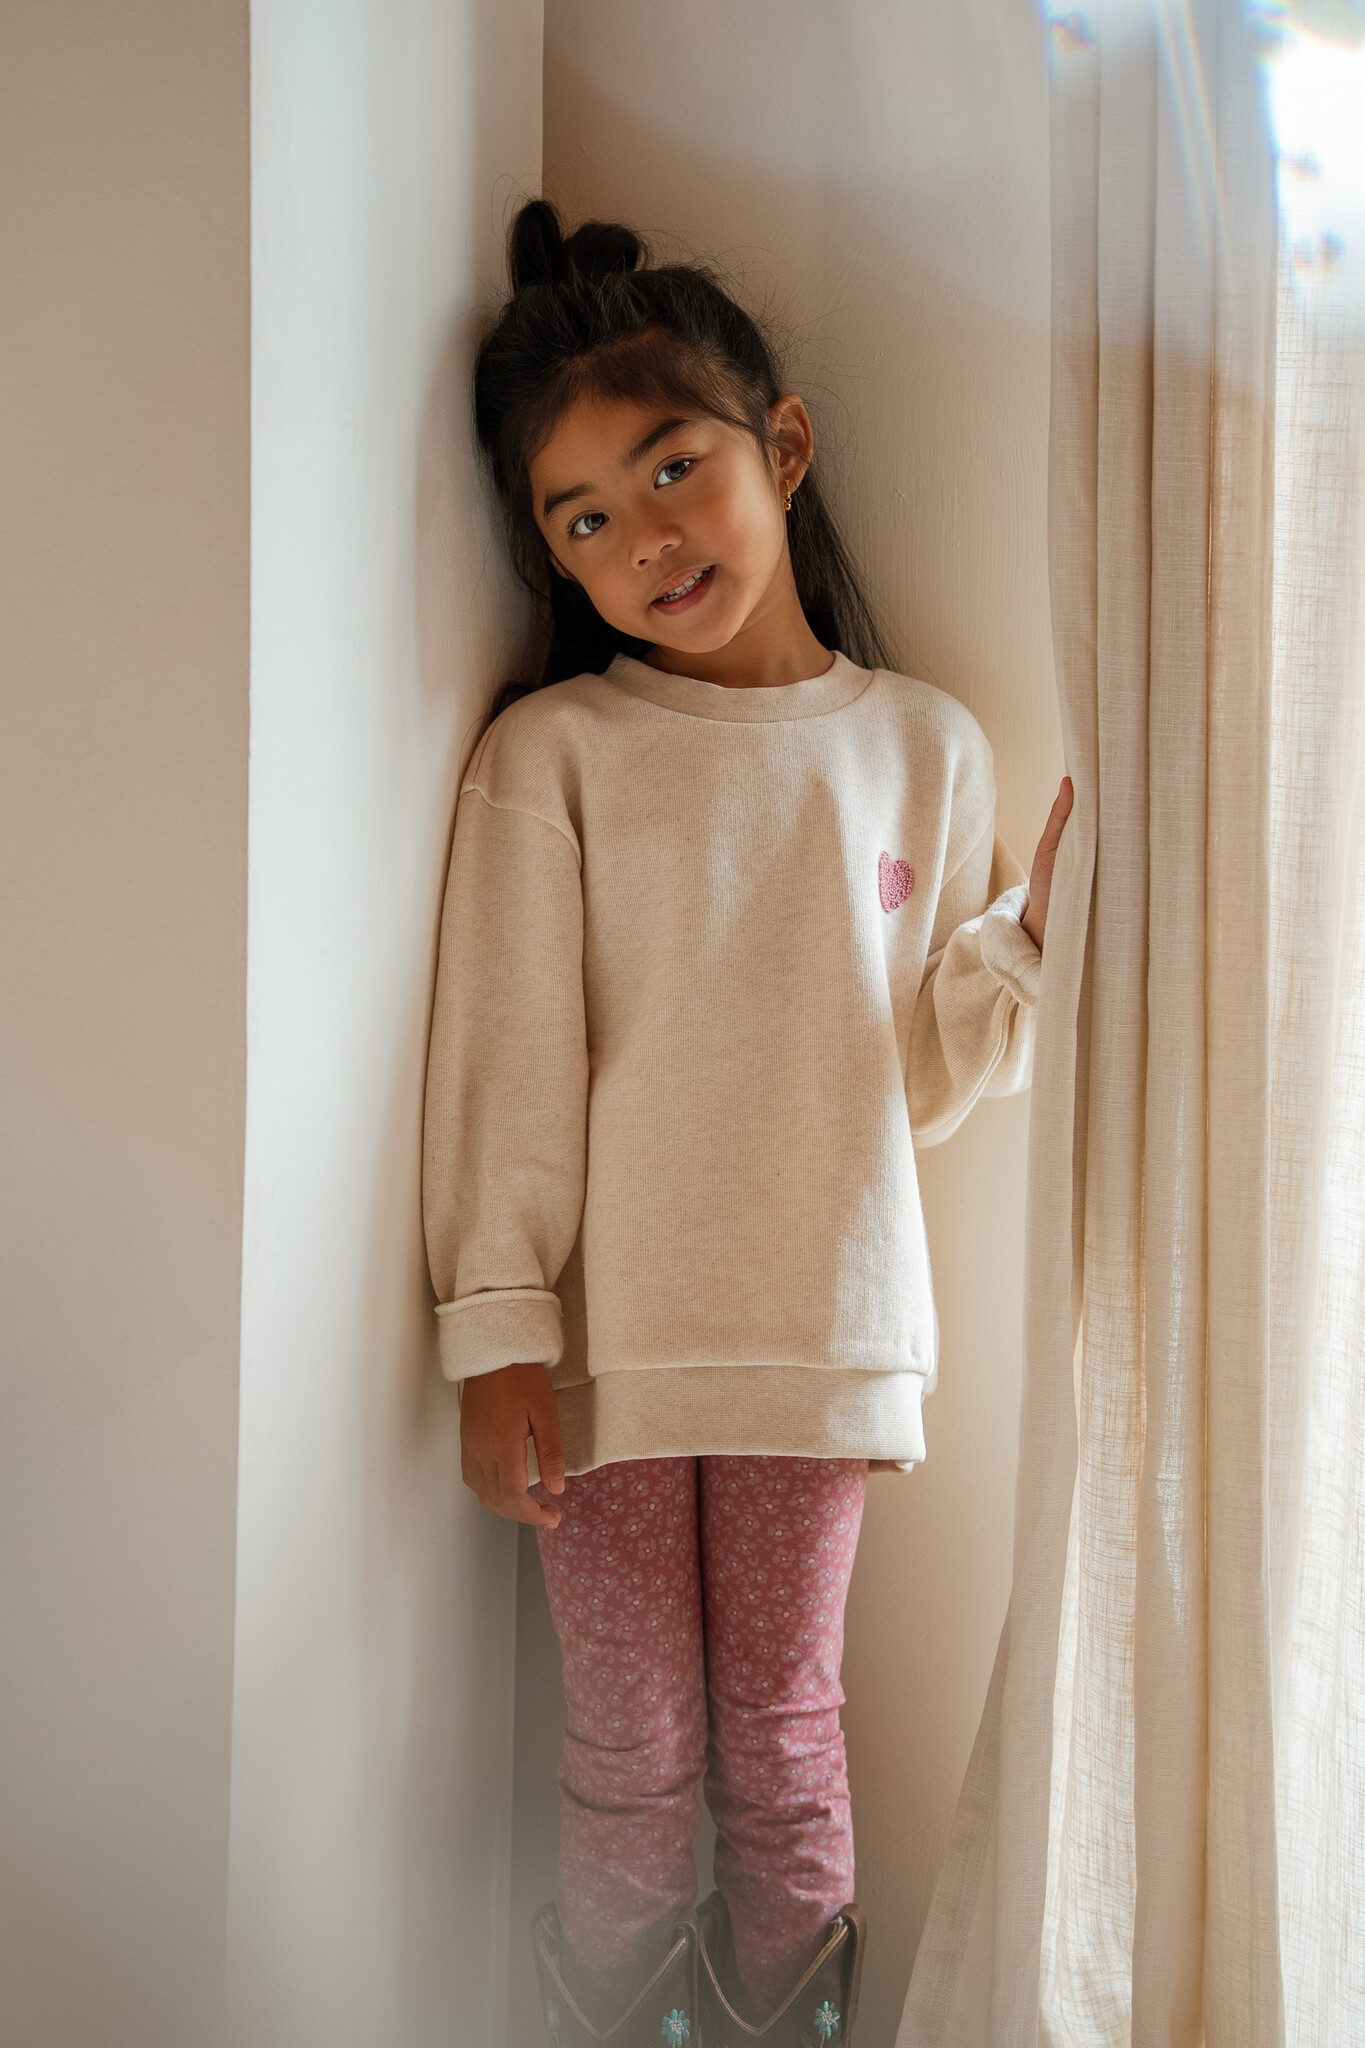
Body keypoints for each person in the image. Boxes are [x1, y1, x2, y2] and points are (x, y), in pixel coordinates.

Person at [422, 198, 1072, 2048]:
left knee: (785, 1749)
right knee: (628, 1757)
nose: (641, 538)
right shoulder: (553, 756)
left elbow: (912, 1081)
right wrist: (497, 1330)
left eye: (670, 468)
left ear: (779, 446)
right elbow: (507, 1060)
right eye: (580, 519)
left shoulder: (925, 745)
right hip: (607, 1355)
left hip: (821, 1333)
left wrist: (1031, 940)